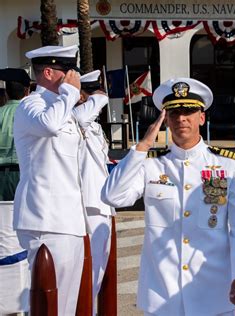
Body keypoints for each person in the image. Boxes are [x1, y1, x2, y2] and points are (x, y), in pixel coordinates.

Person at [102, 78, 235, 315]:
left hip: (213, 292)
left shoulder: (226, 164)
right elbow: (113, 196)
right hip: (162, 292)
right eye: (174, 113)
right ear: (165, 120)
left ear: (202, 117)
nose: (181, 118)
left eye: (188, 111)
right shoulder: (151, 164)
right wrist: (141, 147)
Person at [13, 45, 91, 315]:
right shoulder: (30, 104)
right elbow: (48, 125)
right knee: (44, 303)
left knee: (66, 305)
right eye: (69, 72)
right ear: (48, 72)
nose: (74, 79)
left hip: (69, 219)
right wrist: (69, 93)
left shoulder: (62, 107)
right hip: (44, 217)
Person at [74, 69, 114, 311]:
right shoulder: (76, 118)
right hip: (87, 201)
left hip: (101, 201)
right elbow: (79, 118)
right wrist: (97, 98)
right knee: (88, 266)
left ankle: (90, 308)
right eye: (92, 93)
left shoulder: (95, 127)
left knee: (99, 264)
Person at [0, 68, 30, 315]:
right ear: (27, 90)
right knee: (21, 231)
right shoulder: (28, 113)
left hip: (0, 176)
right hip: (21, 175)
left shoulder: (0, 113)